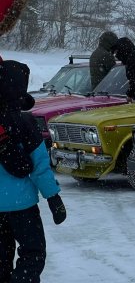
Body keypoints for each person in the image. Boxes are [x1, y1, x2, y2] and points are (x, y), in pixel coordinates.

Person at [0, 60, 66, 283]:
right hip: (23, 207)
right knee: (32, 254)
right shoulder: (25, 122)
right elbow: (39, 168)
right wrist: (53, 197)